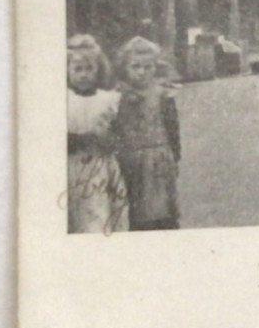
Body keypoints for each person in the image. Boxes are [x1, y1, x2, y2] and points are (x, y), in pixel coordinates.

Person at [111, 36, 181, 231]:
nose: (142, 72)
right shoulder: (118, 96)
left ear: (155, 68)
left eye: (147, 67)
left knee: (161, 210)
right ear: (125, 68)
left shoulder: (162, 94)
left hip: (158, 159)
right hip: (129, 160)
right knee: (133, 212)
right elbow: (113, 129)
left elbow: (172, 127)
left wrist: (175, 157)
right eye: (136, 67)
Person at [65, 34, 128, 234]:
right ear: (67, 70)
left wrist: (106, 138)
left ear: (98, 69)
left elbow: (118, 138)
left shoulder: (108, 101)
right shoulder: (63, 100)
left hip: (100, 168)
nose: (84, 74)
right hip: (70, 166)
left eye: (89, 68)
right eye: (77, 69)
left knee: (99, 215)